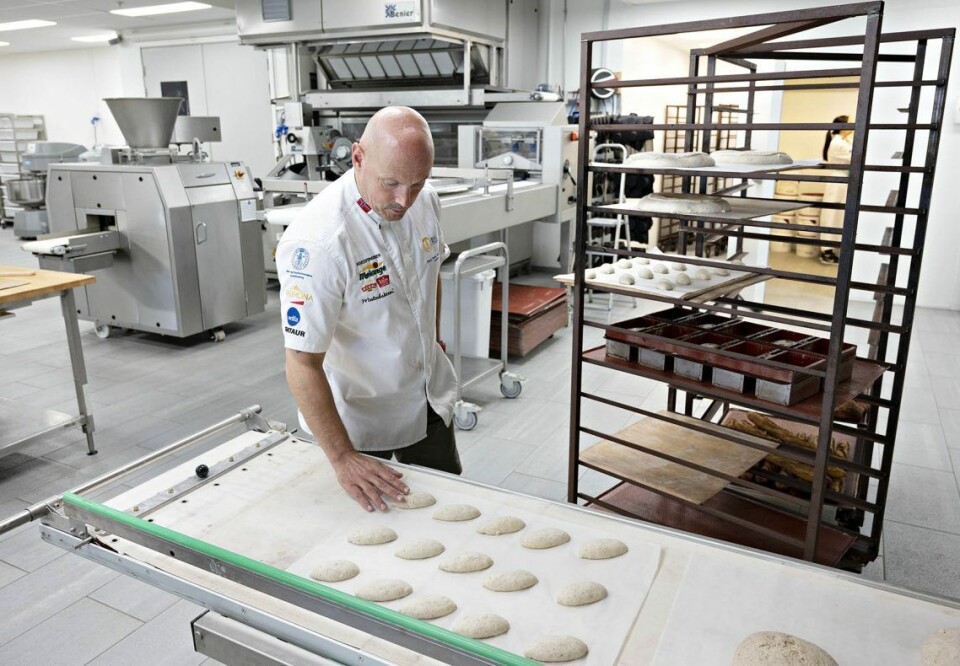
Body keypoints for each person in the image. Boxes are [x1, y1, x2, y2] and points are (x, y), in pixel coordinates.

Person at [277, 106, 460, 513]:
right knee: (365, 535)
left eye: (417, 182)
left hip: (426, 399)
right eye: (391, 183)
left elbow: (432, 273)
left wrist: (434, 340)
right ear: (358, 157)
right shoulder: (319, 242)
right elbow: (301, 363)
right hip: (355, 424)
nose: (404, 200)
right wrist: (342, 458)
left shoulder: (425, 202)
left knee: (446, 515)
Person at [819, 115, 853, 265]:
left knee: (837, 216)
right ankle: (826, 251)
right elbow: (856, 157)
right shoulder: (839, 143)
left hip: (841, 182)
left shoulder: (842, 141)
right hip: (838, 182)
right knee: (831, 216)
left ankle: (830, 249)